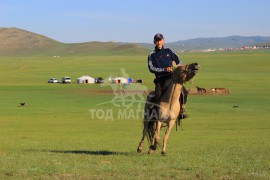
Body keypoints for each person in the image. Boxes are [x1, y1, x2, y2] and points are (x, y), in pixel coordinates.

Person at [148, 33, 188, 120]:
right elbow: (151, 68)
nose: (159, 42)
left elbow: (179, 61)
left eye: (160, 40)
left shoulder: (168, 51)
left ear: (163, 41)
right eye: (157, 41)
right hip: (160, 79)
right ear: (154, 42)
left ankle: (181, 111)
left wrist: (175, 67)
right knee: (158, 95)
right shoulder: (152, 55)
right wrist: (164, 69)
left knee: (184, 92)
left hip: (172, 78)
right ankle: (154, 114)